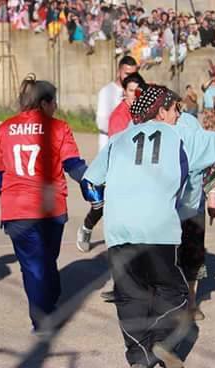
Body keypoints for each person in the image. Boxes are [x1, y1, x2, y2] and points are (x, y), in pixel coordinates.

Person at [81, 85, 215, 368]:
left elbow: (90, 183)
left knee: (129, 297)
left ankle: (138, 357)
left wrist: (100, 206)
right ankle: (160, 340)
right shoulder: (181, 137)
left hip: (119, 230)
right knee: (174, 292)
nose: (178, 115)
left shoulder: (118, 140)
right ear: (161, 111)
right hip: (158, 228)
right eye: (175, 110)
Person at [0, 75, 88, 334]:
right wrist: (92, 182)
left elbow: (0, 172)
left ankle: (45, 306)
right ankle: (42, 317)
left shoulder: (5, 128)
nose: (55, 106)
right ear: (44, 102)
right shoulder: (58, 128)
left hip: (17, 208)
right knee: (44, 260)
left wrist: (7, 199)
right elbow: (73, 165)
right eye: (53, 101)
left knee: (36, 264)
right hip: (50, 206)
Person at [76, 56, 137, 250]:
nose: (130, 76)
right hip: (109, 152)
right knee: (101, 203)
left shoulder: (138, 91)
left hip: (131, 156)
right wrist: (120, 123)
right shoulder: (108, 92)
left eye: (133, 72)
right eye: (127, 72)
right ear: (119, 71)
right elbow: (101, 122)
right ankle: (87, 226)